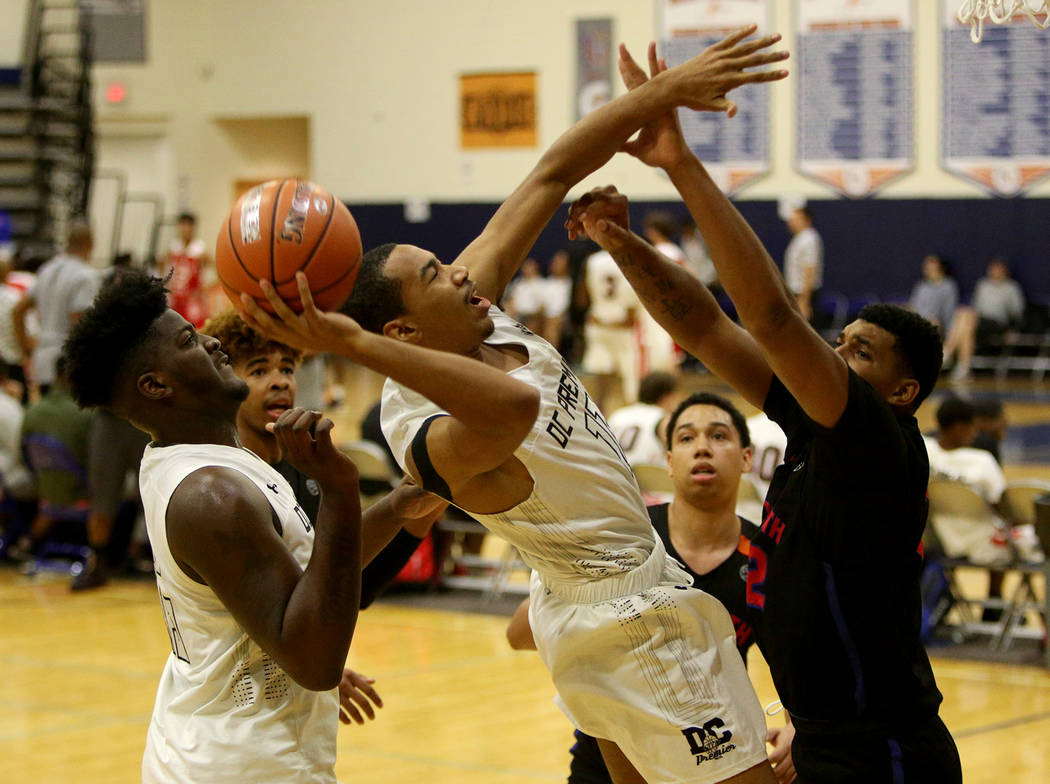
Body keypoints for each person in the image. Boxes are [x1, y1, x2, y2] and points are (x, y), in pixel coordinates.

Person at [241, 27, 789, 784]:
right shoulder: (419, 431)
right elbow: (512, 412)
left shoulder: (471, 312)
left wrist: (659, 94)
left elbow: (551, 171)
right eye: (437, 276)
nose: (462, 275)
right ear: (402, 331)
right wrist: (349, 343)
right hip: (630, 618)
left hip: (593, 609)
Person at [561, 41, 960, 782]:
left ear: (903, 393)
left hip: (887, 753)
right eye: (839, 342)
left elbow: (772, 318)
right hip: (817, 741)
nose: (837, 356)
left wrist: (680, 163)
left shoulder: (879, 441)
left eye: (861, 353)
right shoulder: (814, 426)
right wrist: (617, 242)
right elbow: (706, 327)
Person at [61, 270, 364, 783]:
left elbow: (308, 573)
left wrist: (401, 504)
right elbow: (314, 662)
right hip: (247, 765)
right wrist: (340, 490)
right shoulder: (212, 497)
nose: (211, 341)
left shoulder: (189, 457)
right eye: (188, 341)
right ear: (157, 385)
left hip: (212, 745)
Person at [507, 392, 797, 784]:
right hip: (610, 751)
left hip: (711, 749)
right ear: (669, 461)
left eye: (718, 436)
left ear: (747, 457)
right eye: (686, 438)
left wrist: (797, 726)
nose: (702, 449)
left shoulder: (764, 557)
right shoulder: (622, 536)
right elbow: (519, 635)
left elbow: (796, 658)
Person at [201, 308, 446, 608]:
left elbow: (352, 586)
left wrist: (422, 502)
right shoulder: (222, 480)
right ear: (225, 383)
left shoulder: (303, 466)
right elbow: (296, 594)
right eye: (259, 370)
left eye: (288, 368)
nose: (281, 382)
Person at [925, 396, 1041, 566]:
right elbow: (1003, 506)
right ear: (959, 427)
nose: (975, 432)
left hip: (937, 539)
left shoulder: (924, 449)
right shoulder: (982, 461)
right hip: (983, 545)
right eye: (972, 426)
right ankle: (995, 592)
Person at [7, 357, 93, 561]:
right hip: (81, 492)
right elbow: (98, 463)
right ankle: (121, 553)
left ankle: (26, 543)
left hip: (44, 491)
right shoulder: (87, 413)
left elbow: (23, 455)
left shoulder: (32, 410)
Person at [13, 220, 100, 393]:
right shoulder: (86, 275)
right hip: (66, 362)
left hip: (42, 357)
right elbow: (79, 321)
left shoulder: (47, 269)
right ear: (90, 244)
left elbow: (18, 310)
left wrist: (25, 346)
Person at [942, 258, 1026, 382]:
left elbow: (1018, 313)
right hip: (979, 321)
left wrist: (1013, 329)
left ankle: (947, 353)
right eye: (993, 269)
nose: (995, 272)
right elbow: (976, 306)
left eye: (998, 269)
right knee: (965, 320)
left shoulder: (1011, 288)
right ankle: (963, 369)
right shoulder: (983, 285)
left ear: (1004, 271)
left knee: (967, 317)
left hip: (998, 323)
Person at [607, 370, 679, 467]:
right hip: (644, 476)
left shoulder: (617, 414)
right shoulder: (663, 418)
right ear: (667, 396)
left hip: (614, 471)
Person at [163, 212, 210, 328]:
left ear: (193, 228)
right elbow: (165, 270)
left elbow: (213, 270)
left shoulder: (200, 249)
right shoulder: (173, 247)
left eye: (188, 225)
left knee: (195, 328)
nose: (185, 229)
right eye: (182, 225)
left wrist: (205, 290)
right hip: (175, 298)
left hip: (192, 300)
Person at [781, 206, 822, 324]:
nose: (791, 223)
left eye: (795, 219)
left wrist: (804, 300)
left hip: (802, 292)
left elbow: (810, 269)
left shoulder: (809, 239)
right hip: (794, 292)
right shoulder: (799, 239)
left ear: (806, 220)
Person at [907, 254, 958, 336]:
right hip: (918, 320)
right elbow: (913, 307)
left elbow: (949, 312)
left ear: (940, 268)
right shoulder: (921, 286)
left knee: (933, 323)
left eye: (932, 267)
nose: (928, 270)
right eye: (926, 267)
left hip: (937, 324)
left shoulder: (948, 285)